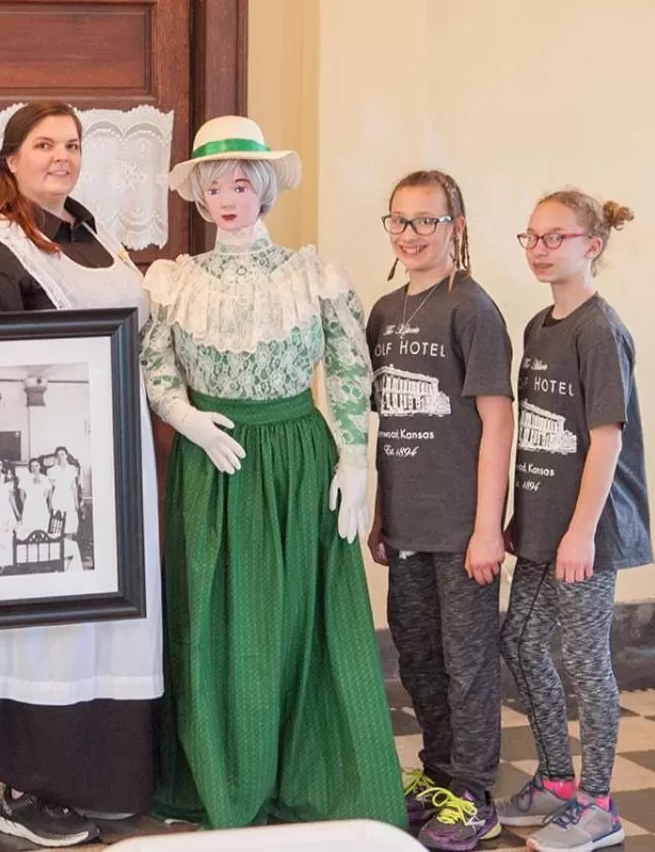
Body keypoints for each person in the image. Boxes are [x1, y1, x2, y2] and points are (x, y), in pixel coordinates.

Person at [141, 115, 404, 829]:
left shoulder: (311, 275)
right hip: (213, 464)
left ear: (260, 189)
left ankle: (313, 775)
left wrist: (357, 461)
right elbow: (155, 368)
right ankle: (224, 777)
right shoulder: (173, 281)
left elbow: (351, 368)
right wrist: (184, 417)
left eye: (239, 183)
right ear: (198, 196)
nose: (227, 198)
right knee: (215, 617)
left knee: (301, 619)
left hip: (297, 458)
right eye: (213, 186)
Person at [0, 101, 164, 847]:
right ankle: (31, 787)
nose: (60, 157)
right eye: (43, 145)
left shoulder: (92, 235)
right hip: (49, 464)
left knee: (113, 622)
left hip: (121, 455)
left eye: (70, 144)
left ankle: (104, 777)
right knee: (48, 624)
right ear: (9, 160)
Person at [496, 191, 650, 852]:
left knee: (585, 659)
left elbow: (605, 440)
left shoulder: (598, 328)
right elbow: (536, 433)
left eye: (553, 237)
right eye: (530, 236)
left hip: (586, 531)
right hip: (540, 524)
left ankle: (598, 804)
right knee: (520, 641)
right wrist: (518, 514)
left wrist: (580, 530)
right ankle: (557, 782)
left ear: (591, 245)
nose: (537, 248)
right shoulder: (539, 327)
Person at [365, 171, 514, 850]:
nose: (410, 235)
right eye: (398, 221)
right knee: (418, 656)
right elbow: (386, 423)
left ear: (455, 226)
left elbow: (496, 421)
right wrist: (378, 511)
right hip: (406, 524)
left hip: (461, 529)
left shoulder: (471, 309)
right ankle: (439, 772)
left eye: (426, 221)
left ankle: (475, 791)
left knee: (467, 660)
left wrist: (487, 527)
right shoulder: (384, 312)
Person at [45, 447, 80, 537]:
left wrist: (76, 502)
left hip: (69, 497)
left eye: (62, 454)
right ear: (56, 457)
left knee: (70, 522)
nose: (61, 457)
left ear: (66, 456)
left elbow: (73, 486)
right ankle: (58, 546)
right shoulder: (51, 470)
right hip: (57, 497)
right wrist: (50, 504)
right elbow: (50, 489)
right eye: (58, 455)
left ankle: (69, 546)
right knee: (57, 523)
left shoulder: (72, 469)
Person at [16, 458, 52, 538]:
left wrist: (42, 501)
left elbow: (47, 493)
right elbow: (21, 495)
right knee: (29, 528)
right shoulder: (25, 478)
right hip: (29, 504)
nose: (34, 468)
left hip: (41, 505)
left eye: (36, 465)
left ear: (40, 467)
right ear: (30, 468)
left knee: (42, 527)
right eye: (32, 466)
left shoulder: (44, 478)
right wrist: (26, 505)